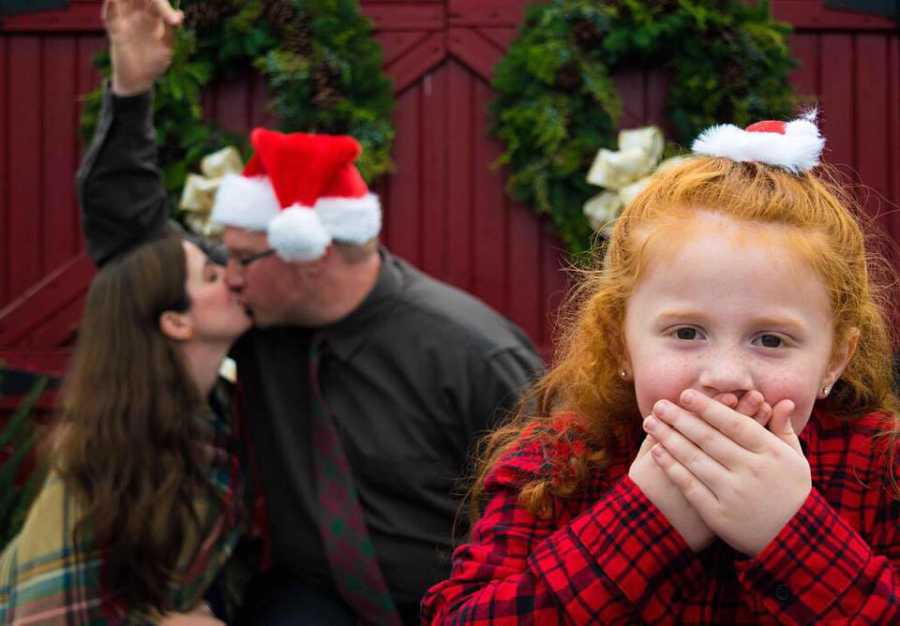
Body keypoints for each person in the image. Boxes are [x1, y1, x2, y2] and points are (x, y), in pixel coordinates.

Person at [77, 2, 544, 623]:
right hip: (310, 598)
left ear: (310, 256)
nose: (227, 274)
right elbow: (133, 241)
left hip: (453, 608)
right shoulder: (256, 314)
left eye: (242, 259)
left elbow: (561, 504)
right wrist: (131, 86)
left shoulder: (472, 352)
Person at [421, 116, 900, 624]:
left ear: (834, 359)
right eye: (687, 333)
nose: (725, 375)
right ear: (621, 344)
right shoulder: (555, 467)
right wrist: (643, 522)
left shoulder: (881, 469)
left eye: (771, 340)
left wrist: (791, 534)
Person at [0, 235, 252, 625]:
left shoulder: (218, 425)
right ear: (176, 322)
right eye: (212, 275)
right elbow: (42, 617)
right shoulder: (102, 453)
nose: (234, 279)